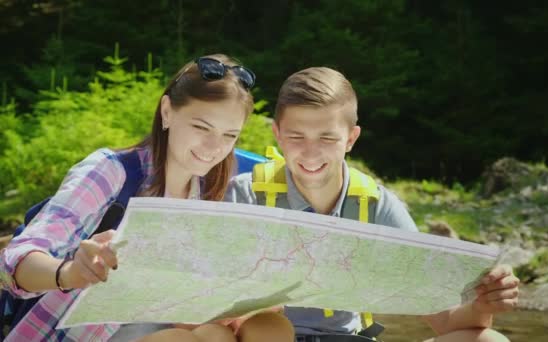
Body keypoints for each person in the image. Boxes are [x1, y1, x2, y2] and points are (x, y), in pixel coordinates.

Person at [0, 54, 294, 342]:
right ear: (167, 111)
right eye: (201, 127)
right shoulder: (111, 171)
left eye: (229, 136)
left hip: (152, 326)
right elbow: (12, 263)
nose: (214, 147)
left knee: (239, 330)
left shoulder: (208, 193)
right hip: (79, 333)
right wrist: (70, 272)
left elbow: (178, 301)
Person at [225, 67, 519, 342]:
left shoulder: (377, 206)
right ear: (277, 134)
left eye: (327, 138)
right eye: (296, 136)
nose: (310, 152)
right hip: (267, 336)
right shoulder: (244, 195)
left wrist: (484, 302)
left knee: (488, 340)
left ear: (351, 139)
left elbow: (446, 321)